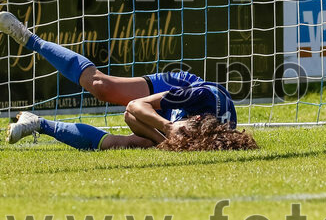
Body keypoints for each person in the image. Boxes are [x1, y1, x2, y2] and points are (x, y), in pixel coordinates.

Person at [1, 12, 255, 151]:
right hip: (179, 85)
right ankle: (29, 38)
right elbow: (135, 106)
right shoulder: (199, 96)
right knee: (102, 87)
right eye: (185, 131)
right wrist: (169, 128)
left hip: (177, 122)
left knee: (135, 144)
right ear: (196, 119)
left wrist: (169, 140)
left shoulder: (208, 140)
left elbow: (131, 117)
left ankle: (37, 123)